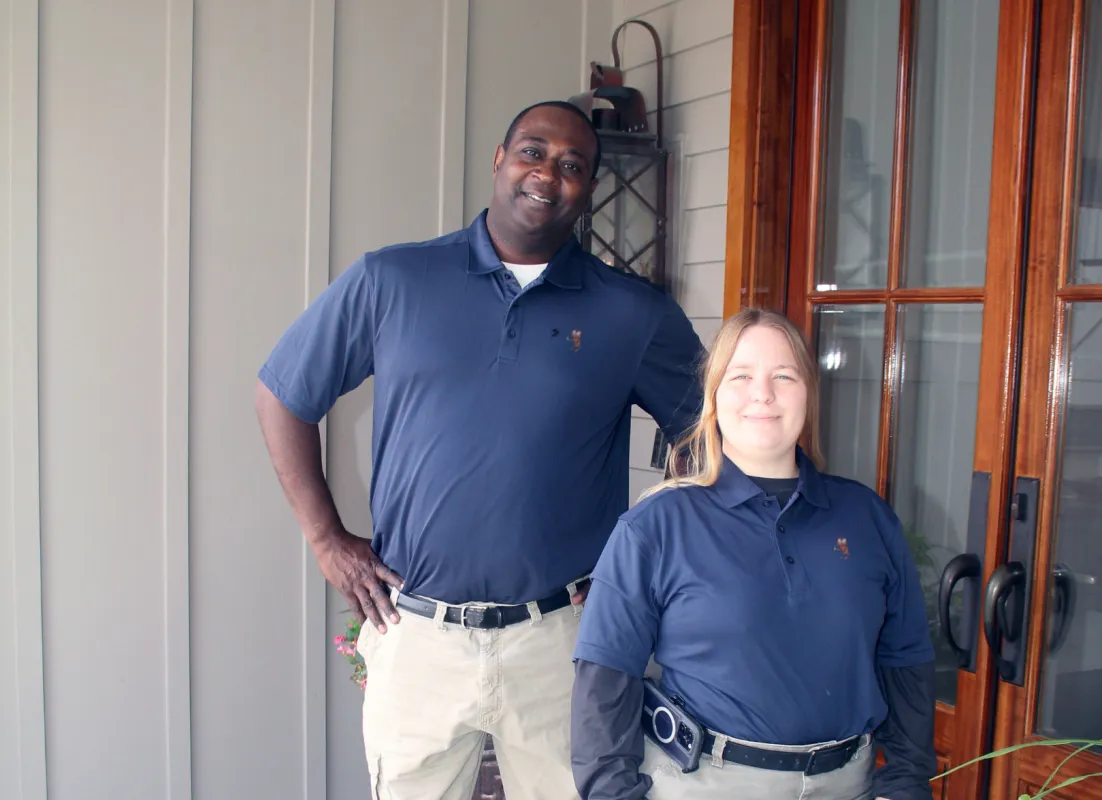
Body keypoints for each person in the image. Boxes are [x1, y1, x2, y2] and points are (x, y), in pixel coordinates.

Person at [254, 99, 705, 800]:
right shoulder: (393, 280)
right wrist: (326, 538)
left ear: (589, 189)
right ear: (499, 159)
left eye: (573, 165)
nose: (548, 173)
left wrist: (656, 568)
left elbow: (709, 437)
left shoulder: (631, 314)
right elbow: (283, 393)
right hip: (416, 632)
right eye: (532, 151)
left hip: (562, 640)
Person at [570, 308, 937, 800]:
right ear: (714, 395)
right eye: (741, 376)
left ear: (808, 392)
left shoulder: (866, 519)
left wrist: (905, 786)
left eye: (783, 376)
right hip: (706, 784)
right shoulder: (655, 527)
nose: (762, 393)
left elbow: (905, 661)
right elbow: (604, 686)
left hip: (849, 784)